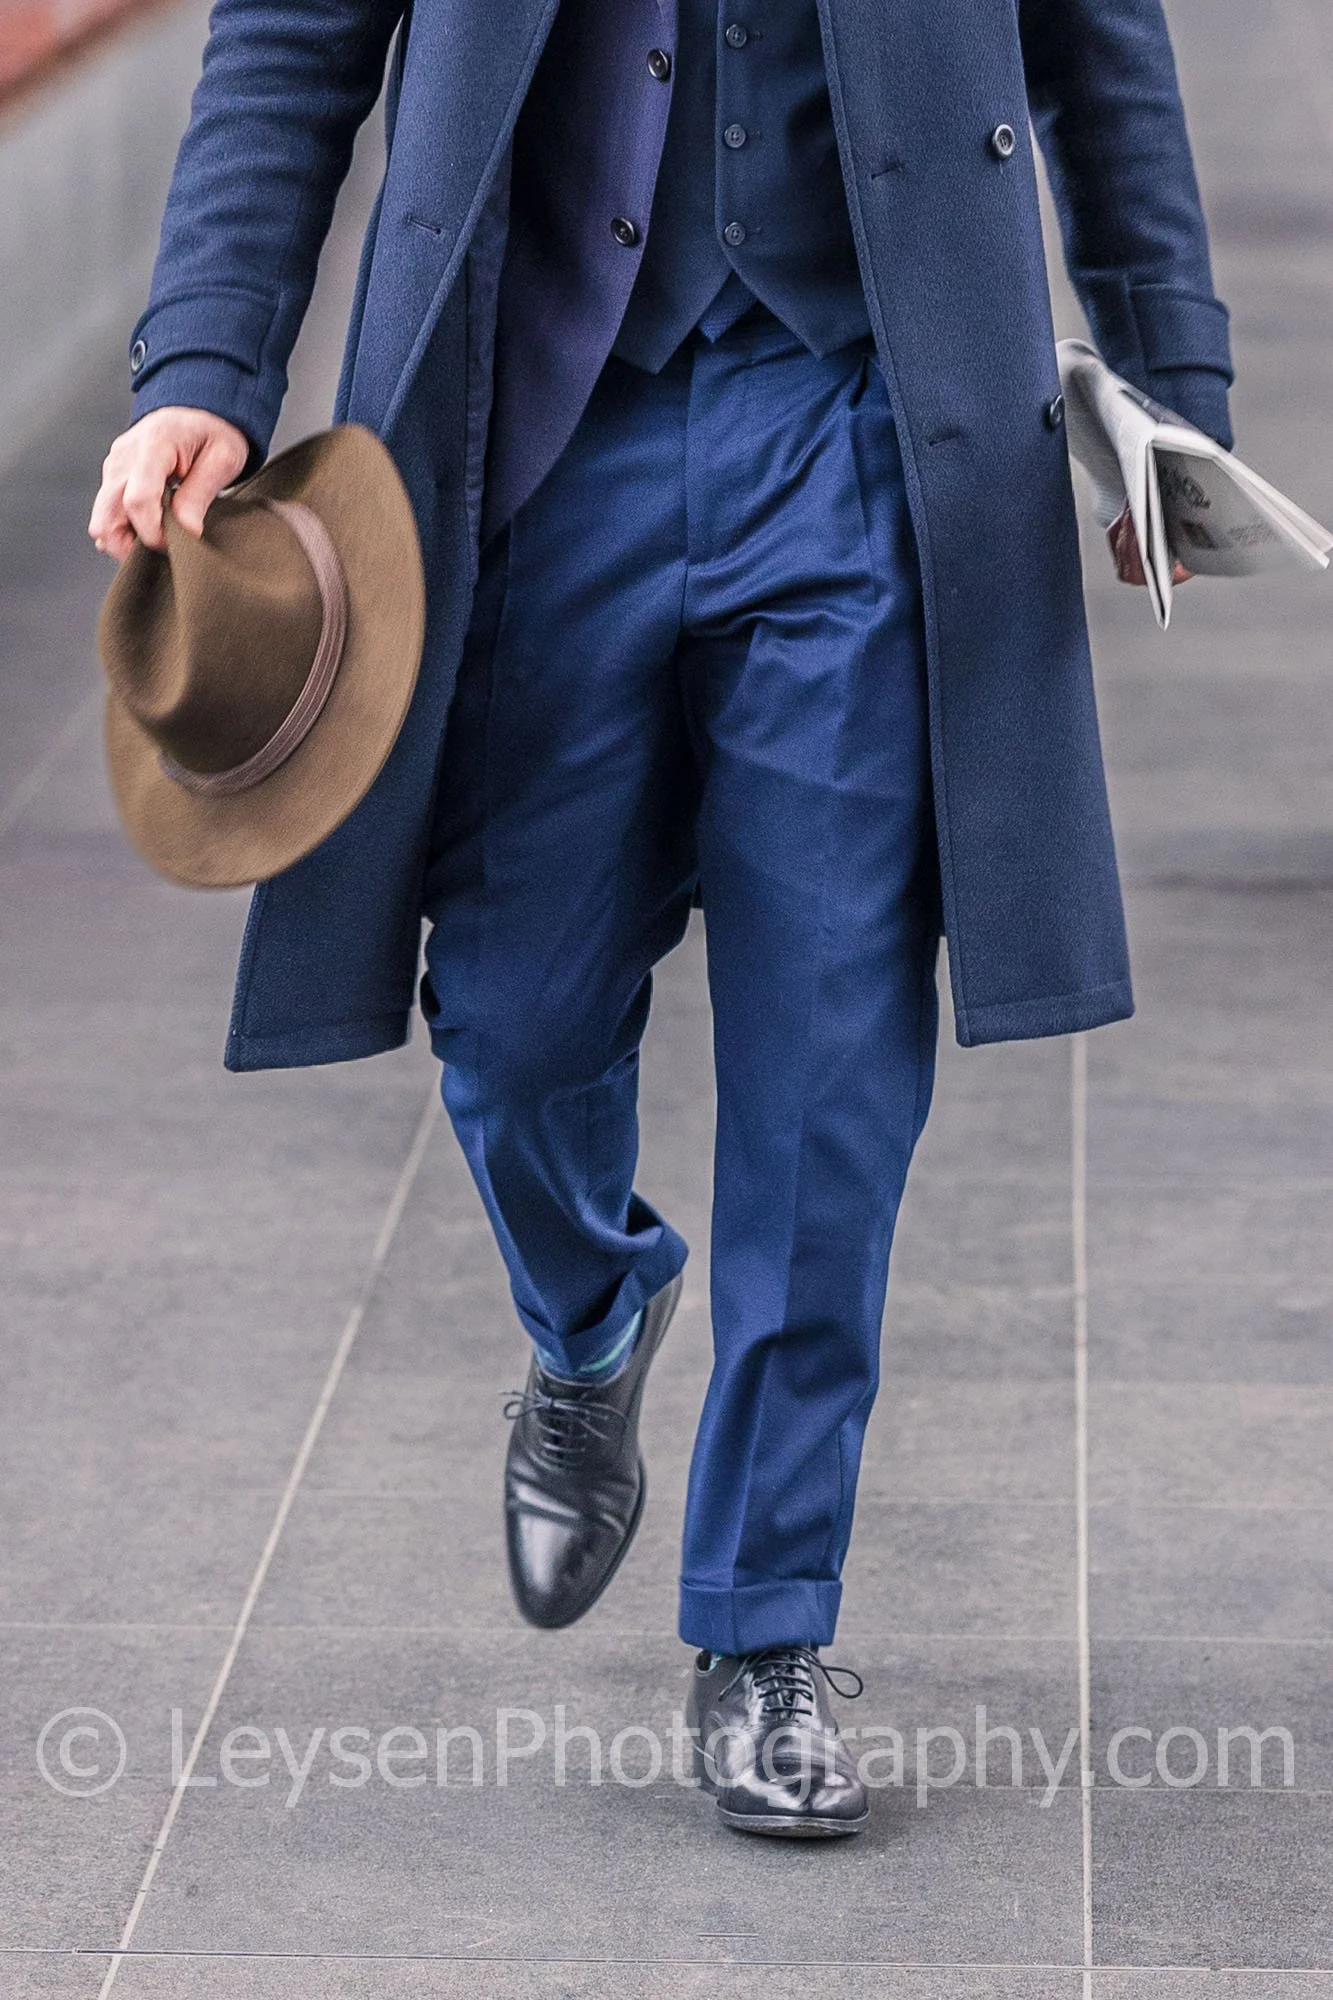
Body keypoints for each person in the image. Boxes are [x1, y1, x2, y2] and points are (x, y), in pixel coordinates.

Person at [88, 0, 1231, 1837]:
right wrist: (203, 363)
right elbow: (291, 36)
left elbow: (1104, 41)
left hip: (864, 422)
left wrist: (1175, 379)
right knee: (518, 1028)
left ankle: (767, 1631)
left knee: (829, 1067)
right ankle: (593, 1314)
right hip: (536, 433)